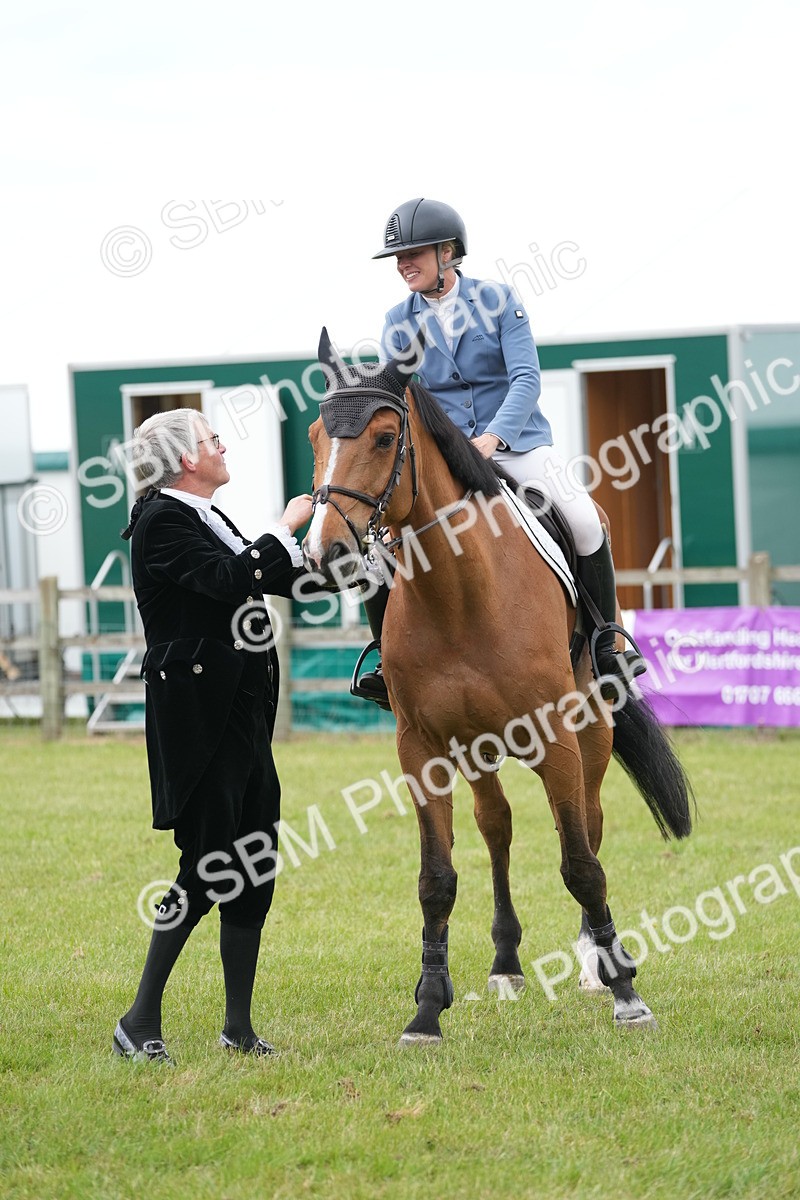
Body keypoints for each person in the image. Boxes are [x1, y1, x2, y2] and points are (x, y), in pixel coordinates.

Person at [355, 197, 644, 708]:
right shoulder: (398, 320)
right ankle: (385, 657)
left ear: (448, 253)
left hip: (515, 443)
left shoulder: (497, 299)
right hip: (444, 457)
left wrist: (493, 437)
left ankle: (606, 644)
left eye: (414, 253)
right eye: (397, 256)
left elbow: (526, 378)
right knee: (379, 543)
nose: (403, 264)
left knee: (582, 519)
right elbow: (395, 393)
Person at [113, 408, 313, 1063]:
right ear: (186, 460)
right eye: (211, 439)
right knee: (204, 866)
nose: (224, 445)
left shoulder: (207, 517)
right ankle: (138, 1022)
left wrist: (344, 547)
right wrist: (282, 528)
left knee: (255, 862)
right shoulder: (162, 522)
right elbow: (232, 579)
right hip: (199, 721)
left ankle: (238, 1028)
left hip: (241, 716)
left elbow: (281, 577)